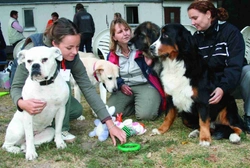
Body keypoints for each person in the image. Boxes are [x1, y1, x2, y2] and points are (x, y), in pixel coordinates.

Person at [10, 17, 126, 145]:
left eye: (77, 46)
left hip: (51, 97)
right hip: (34, 94)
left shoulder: (73, 57)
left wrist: (109, 124)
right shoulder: (33, 51)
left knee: (76, 110)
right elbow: (16, 86)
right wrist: (22, 103)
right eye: (69, 47)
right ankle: (60, 130)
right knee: (62, 83)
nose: (75, 52)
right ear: (55, 44)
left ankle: (54, 127)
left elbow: (87, 88)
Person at [187, 1, 250, 132]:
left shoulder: (231, 32)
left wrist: (223, 87)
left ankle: (249, 115)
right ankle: (204, 118)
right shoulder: (195, 38)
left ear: (208, 14)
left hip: (233, 81)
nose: (192, 23)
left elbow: (235, 65)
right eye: (191, 19)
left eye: (195, 18)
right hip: (209, 84)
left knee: (248, 72)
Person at [106, 18, 166, 120]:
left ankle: (145, 104)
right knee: (111, 113)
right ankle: (137, 104)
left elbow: (158, 68)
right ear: (114, 37)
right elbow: (107, 77)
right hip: (126, 88)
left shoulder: (142, 48)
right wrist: (121, 85)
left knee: (146, 115)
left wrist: (151, 60)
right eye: (120, 32)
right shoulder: (112, 55)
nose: (125, 33)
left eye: (126, 29)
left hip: (145, 85)